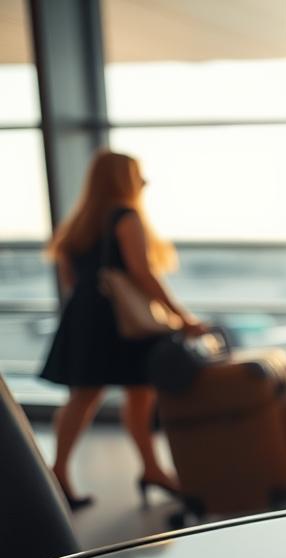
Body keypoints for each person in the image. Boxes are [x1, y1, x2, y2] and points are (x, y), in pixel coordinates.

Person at [39, 151, 203, 510]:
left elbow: (70, 279)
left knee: (82, 398)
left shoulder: (78, 224)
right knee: (140, 397)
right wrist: (182, 316)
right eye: (138, 175)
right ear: (123, 180)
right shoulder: (126, 218)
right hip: (122, 325)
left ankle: (58, 474)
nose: (143, 182)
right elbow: (142, 274)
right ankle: (152, 470)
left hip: (86, 319)